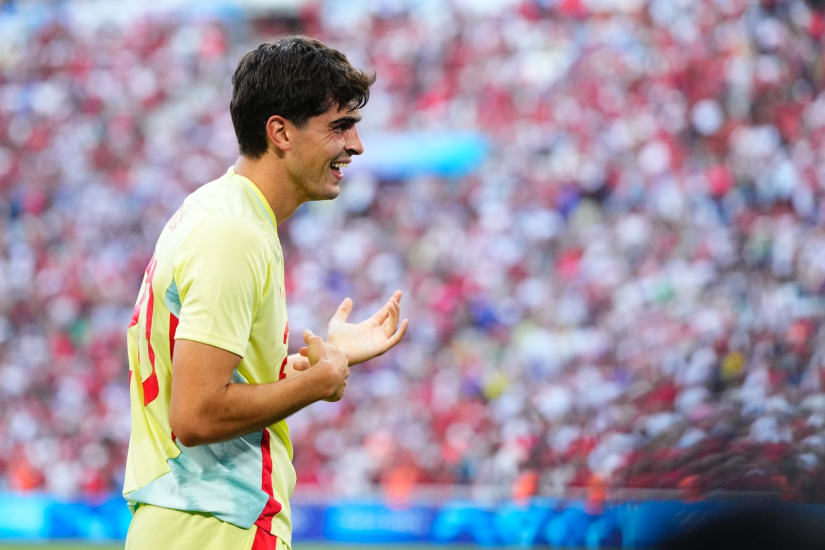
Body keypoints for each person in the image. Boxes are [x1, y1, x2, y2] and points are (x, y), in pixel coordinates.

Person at [123, 36, 408, 550]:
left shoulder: (219, 211)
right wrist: (317, 383)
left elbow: (211, 376)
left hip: (191, 521)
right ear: (280, 131)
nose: (356, 146)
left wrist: (321, 361)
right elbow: (197, 413)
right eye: (340, 126)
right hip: (215, 524)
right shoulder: (234, 233)